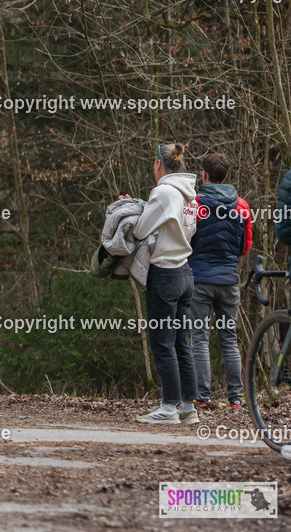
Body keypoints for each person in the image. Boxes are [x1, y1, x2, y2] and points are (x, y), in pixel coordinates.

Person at [119, 143, 199, 425]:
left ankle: (168, 408)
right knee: (182, 343)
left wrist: (131, 207)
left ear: (158, 165)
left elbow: (140, 229)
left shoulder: (164, 191)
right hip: (186, 273)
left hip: (165, 274)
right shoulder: (190, 195)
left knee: (162, 344)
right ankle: (188, 407)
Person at [188, 152, 251, 411]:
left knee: (200, 338)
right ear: (227, 176)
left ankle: (202, 398)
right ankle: (236, 399)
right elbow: (245, 246)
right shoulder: (242, 206)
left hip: (199, 281)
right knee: (229, 339)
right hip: (228, 281)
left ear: (204, 175)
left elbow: (186, 239)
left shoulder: (195, 204)